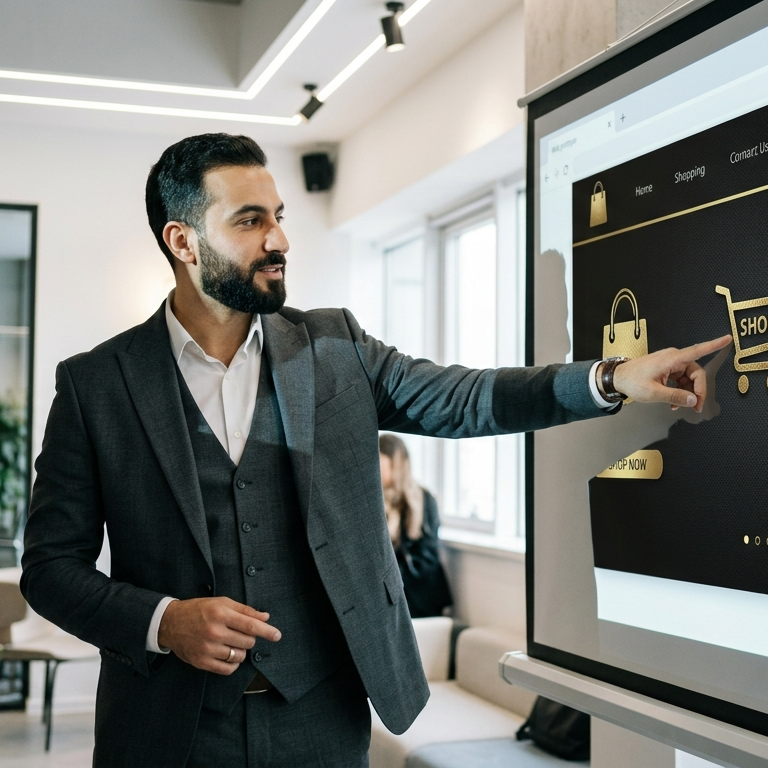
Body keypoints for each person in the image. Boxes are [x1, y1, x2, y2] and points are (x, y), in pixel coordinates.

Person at [19, 133, 731, 768]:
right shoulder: (97, 385)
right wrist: (163, 622)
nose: (279, 240)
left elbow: (467, 397)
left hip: (321, 724)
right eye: (250, 220)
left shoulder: (335, 347)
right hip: (166, 730)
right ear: (182, 241)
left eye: (279, 216)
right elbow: (50, 569)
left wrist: (610, 379)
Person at [379, 434, 452, 619]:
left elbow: (426, 557)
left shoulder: (423, 500)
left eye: (378, 460)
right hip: (392, 592)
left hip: (419, 594)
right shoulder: (374, 501)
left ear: (394, 464)